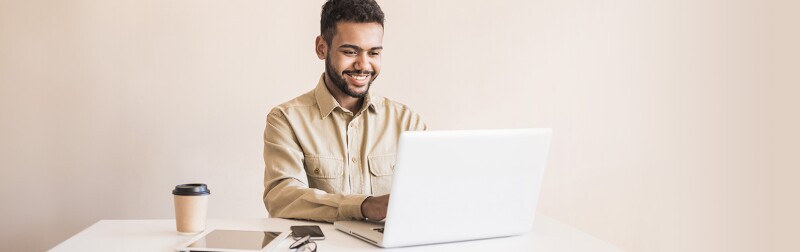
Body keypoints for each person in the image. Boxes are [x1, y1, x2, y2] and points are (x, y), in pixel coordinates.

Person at [262, 0, 426, 223]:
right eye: (350, 51)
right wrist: (363, 206)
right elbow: (282, 198)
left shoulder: (407, 122)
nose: (363, 65)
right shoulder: (286, 119)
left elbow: (428, 195)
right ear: (322, 48)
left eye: (374, 53)